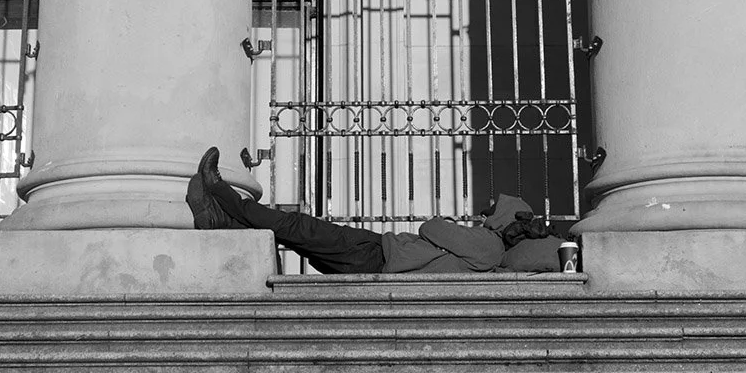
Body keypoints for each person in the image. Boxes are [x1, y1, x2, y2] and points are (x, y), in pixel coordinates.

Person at [186, 146, 562, 275]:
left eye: (490, 211)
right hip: (379, 254)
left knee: (294, 224)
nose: (482, 214)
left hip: (377, 255)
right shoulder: (487, 247)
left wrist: (454, 226)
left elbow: (432, 227)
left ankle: (220, 192)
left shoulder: (487, 245)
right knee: (294, 233)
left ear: (505, 219)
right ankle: (220, 222)